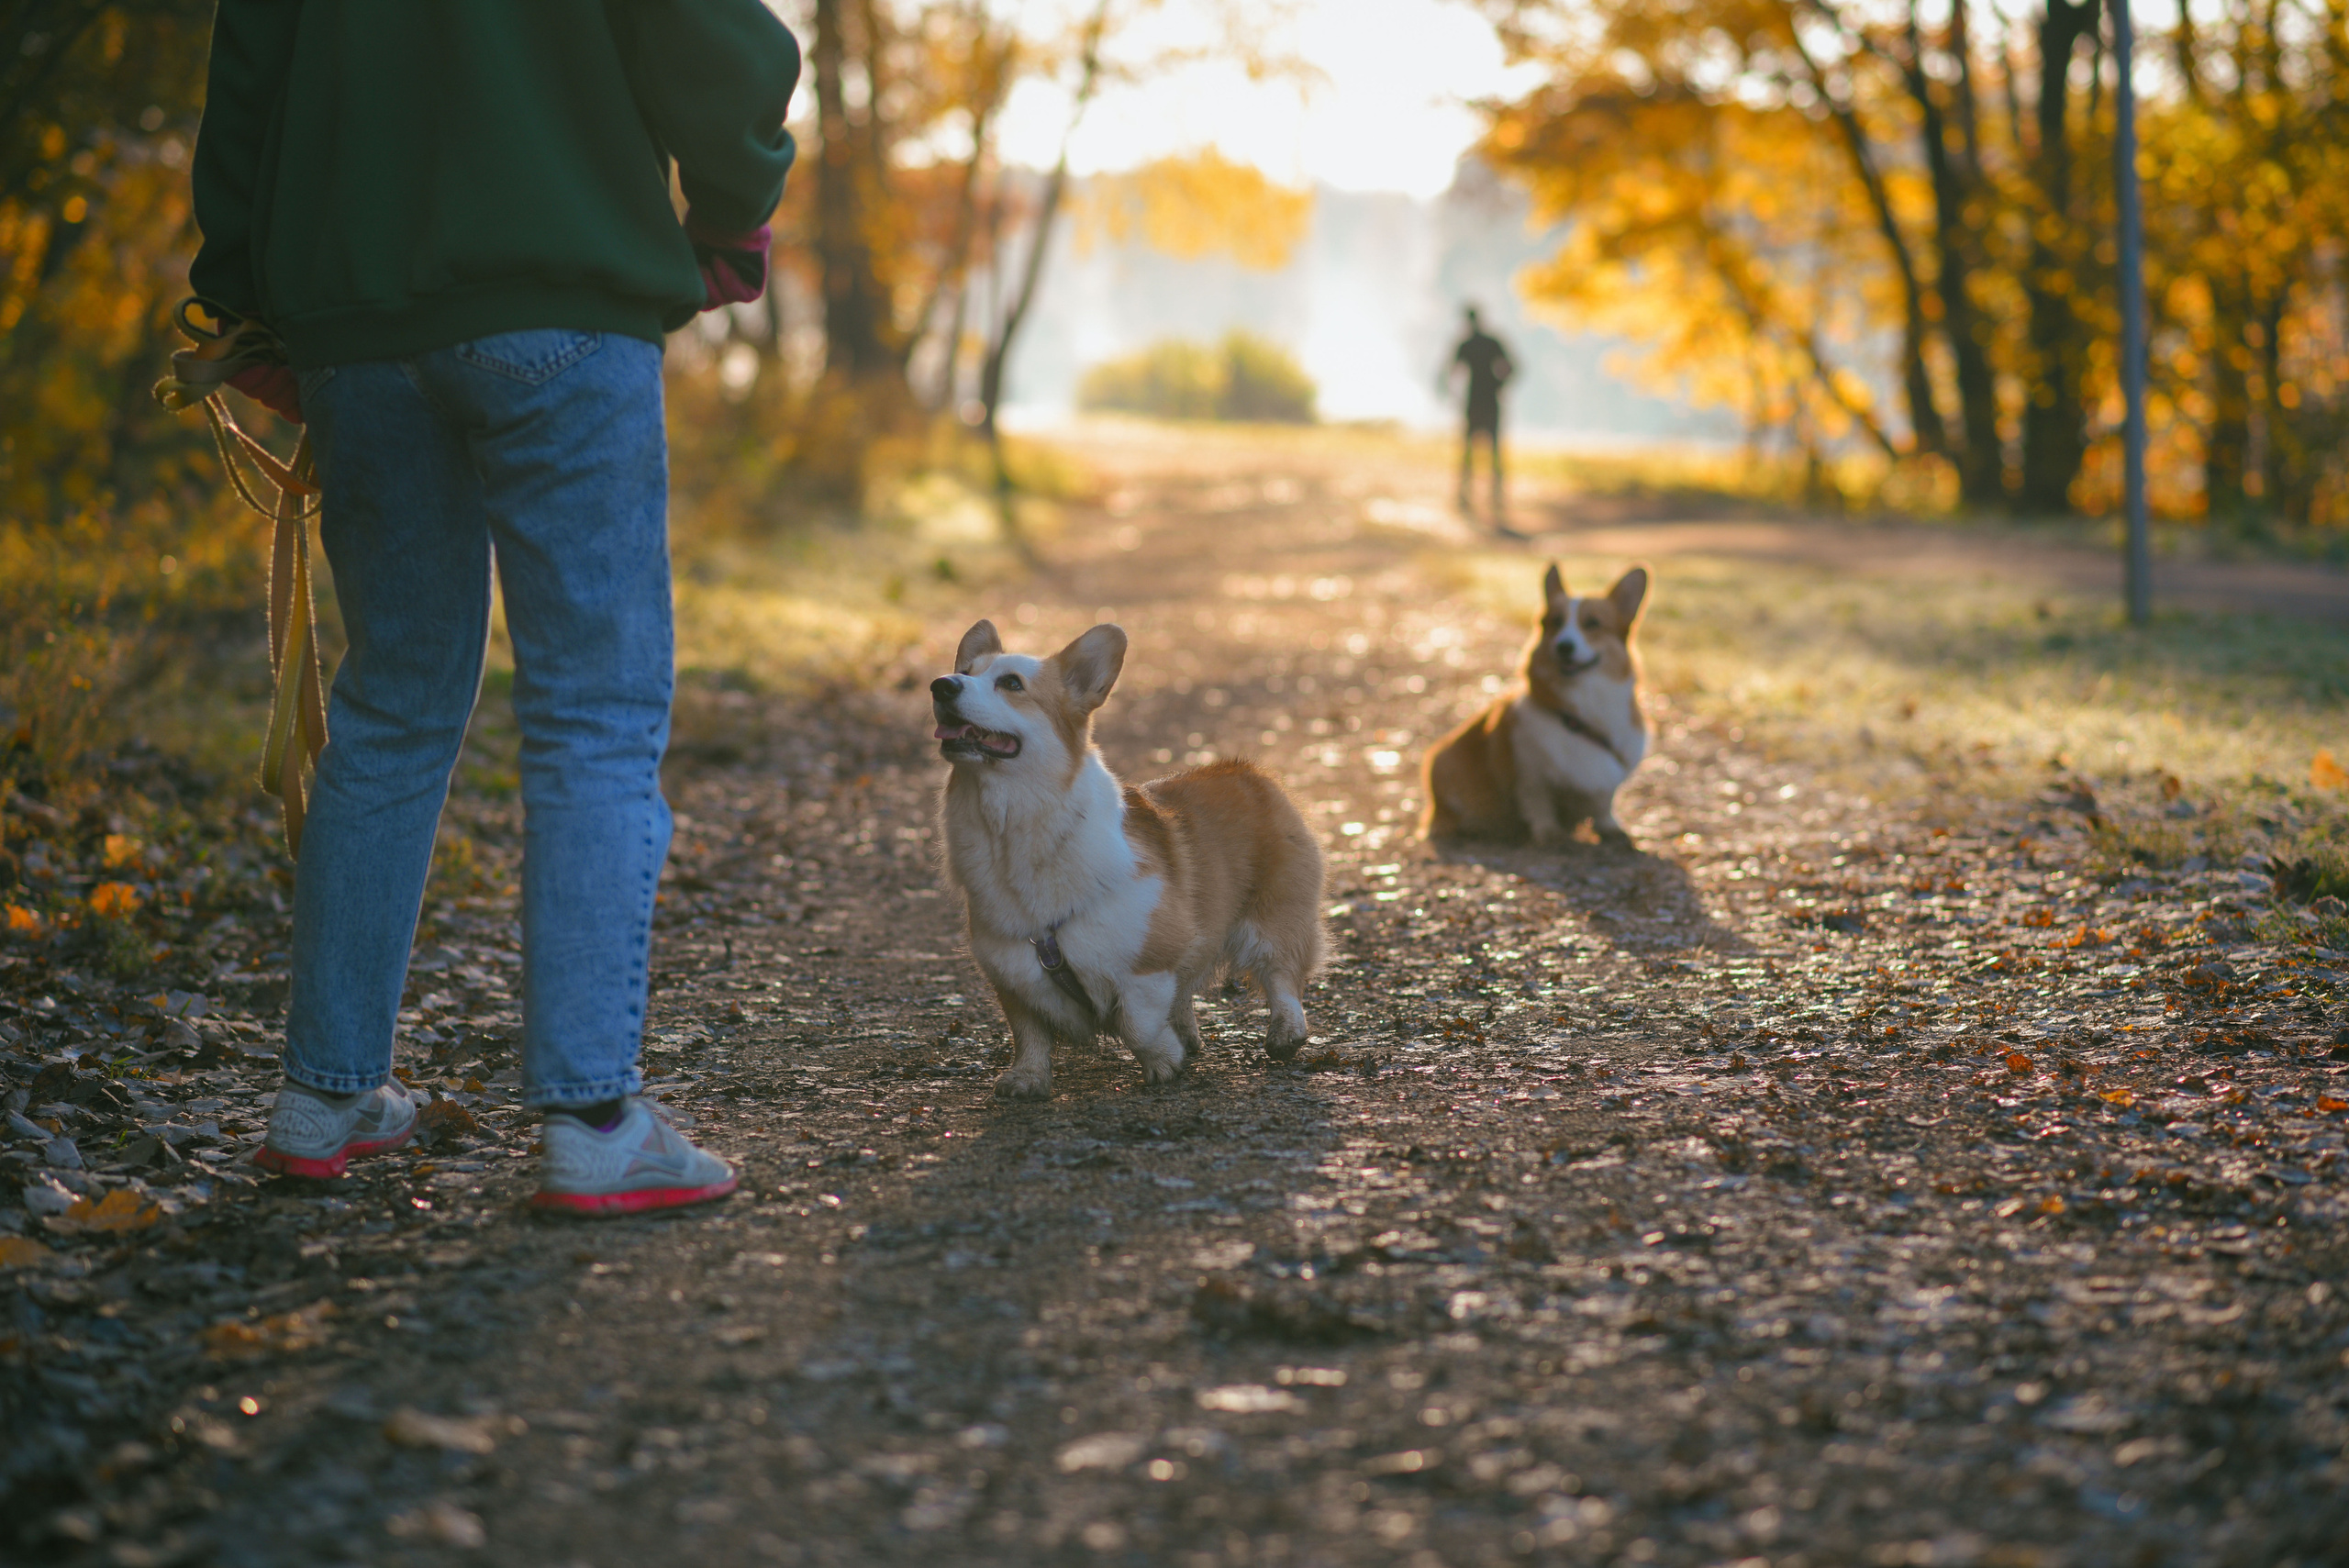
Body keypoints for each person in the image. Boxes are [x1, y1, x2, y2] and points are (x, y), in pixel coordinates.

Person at [189, 2, 800, 1216]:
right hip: (558, 297)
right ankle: (591, 1122)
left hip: (354, 325)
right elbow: (719, 36)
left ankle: (323, 1099)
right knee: (594, 708)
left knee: (392, 702)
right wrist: (733, 206)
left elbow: (246, 81)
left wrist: (250, 295)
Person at [1446, 305, 1516, 528]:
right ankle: (1487, 496)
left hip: (1477, 404)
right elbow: (1513, 368)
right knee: (1484, 453)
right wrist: (1498, 385)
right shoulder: (1489, 343)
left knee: (1475, 453)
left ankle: (1475, 496)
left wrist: (1497, 384)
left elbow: (1449, 371)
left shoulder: (1469, 344)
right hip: (1485, 404)